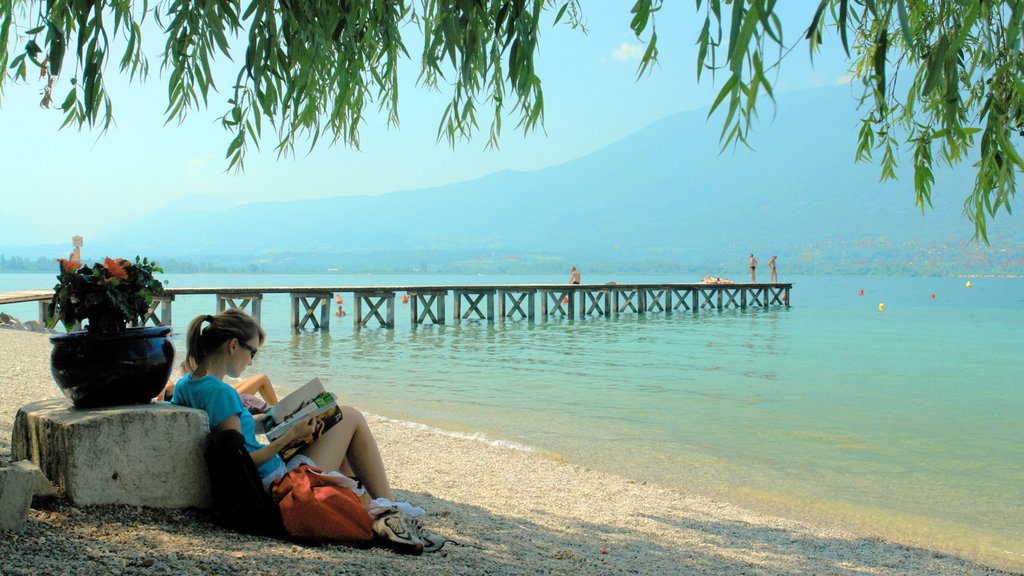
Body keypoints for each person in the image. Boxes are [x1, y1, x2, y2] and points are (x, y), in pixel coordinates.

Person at [169, 309, 441, 551]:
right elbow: (241, 462)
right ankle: (390, 510)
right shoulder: (222, 391)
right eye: (252, 352)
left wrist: (271, 419)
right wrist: (291, 435)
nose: (251, 361)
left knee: (339, 431)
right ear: (232, 345)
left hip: (266, 477)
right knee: (350, 416)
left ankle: (377, 508)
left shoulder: (187, 384)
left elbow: (233, 432)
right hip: (275, 482)